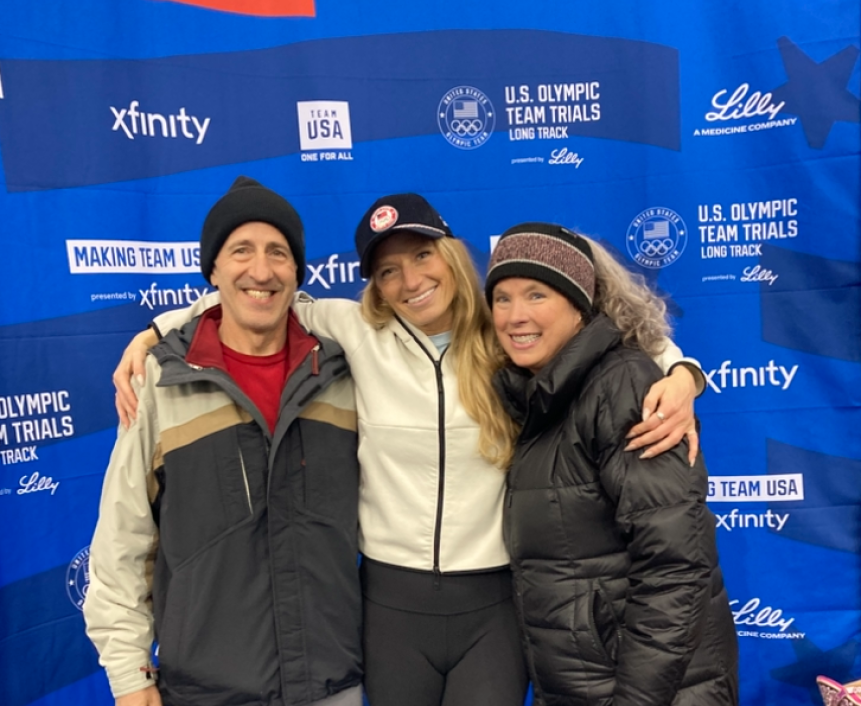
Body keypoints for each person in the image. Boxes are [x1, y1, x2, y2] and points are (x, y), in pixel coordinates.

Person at [113, 192, 706, 706]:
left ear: (448, 254)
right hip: (391, 611)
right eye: (388, 270)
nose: (410, 279)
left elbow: (607, 338)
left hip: (493, 609)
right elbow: (254, 298)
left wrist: (682, 373)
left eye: (421, 256)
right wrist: (156, 331)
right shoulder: (353, 331)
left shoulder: (504, 334)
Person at [84, 177, 363, 706]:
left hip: (332, 685)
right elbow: (122, 542)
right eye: (241, 251)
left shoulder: (343, 376)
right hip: (206, 691)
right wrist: (130, 674)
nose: (261, 271)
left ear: (298, 273)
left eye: (278, 253)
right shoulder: (161, 381)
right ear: (212, 270)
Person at [485, 222, 738, 706]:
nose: (515, 316)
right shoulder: (542, 396)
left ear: (580, 307)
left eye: (537, 295)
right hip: (588, 684)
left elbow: (676, 568)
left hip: (652, 690)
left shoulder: (622, 386)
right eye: (502, 298)